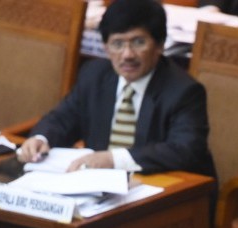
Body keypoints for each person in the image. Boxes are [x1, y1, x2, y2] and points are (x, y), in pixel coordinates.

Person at [17, 0, 215, 177]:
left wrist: (114, 159)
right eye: (117, 44)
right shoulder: (93, 75)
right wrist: (41, 138)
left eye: (139, 42)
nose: (127, 54)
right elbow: (63, 118)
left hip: (165, 190)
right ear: (105, 48)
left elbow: (185, 150)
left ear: (160, 45)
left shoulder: (184, 91)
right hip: (99, 186)